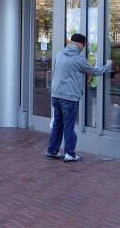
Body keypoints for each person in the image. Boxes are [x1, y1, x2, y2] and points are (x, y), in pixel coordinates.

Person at [46, 33, 111, 162]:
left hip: (56, 95)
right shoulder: (78, 59)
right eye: (84, 45)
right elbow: (94, 71)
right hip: (69, 97)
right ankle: (70, 154)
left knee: (57, 124)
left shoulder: (59, 54)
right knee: (68, 126)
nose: (84, 47)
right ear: (79, 44)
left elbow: (58, 72)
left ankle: (52, 151)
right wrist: (108, 66)